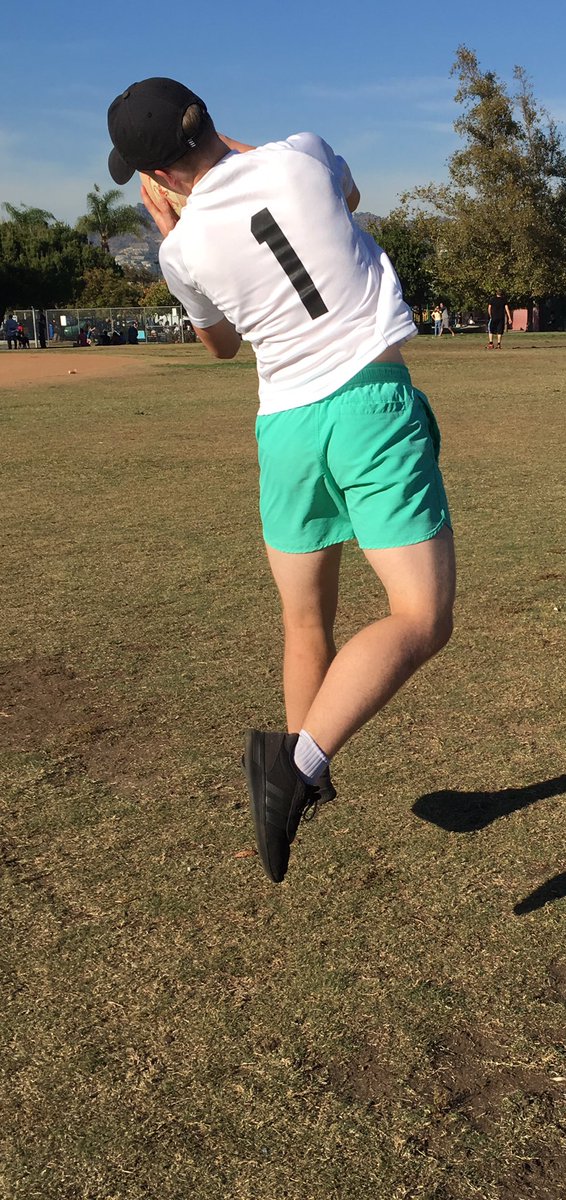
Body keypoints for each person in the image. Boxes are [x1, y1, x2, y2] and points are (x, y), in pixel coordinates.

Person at [107, 76, 454, 884]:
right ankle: (295, 766)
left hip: (286, 428)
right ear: (212, 124)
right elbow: (350, 191)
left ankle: (303, 772)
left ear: (156, 174)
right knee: (422, 617)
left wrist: (186, 223)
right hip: (369, 404)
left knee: (306, 622)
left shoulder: (180, 250)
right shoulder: (302, 155)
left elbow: (221, 348)